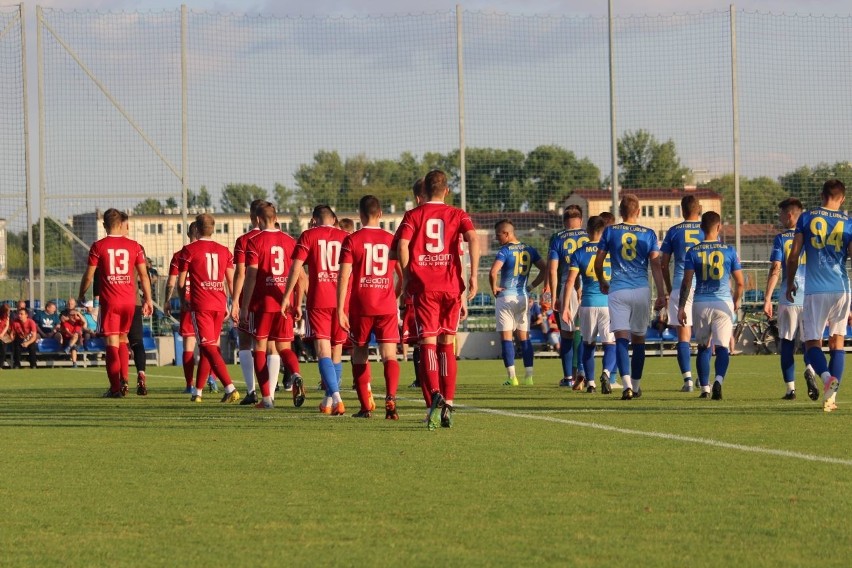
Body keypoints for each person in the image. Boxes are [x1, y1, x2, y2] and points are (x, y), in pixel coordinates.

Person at [397, 169, 480, 430]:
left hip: (425, 286)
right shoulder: (458, 214)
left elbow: (401, 245)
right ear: (446, 190)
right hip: (452, 287)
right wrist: (474, 276)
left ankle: (434, 396)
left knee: (428, 344)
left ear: (423, 192)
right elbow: (473, 239)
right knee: (447, 344)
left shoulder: (414, 215)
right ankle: (450, 403)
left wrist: (408, 275)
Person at [785, 179, 852, 413]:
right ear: (842, 198)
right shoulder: (849, 222)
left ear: (822, 195)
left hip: (815, 290)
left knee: (812, 342)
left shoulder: (806, 218)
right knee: (838, 341)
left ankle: (825, 378)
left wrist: (790, 283)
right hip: (842, 289)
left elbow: (793, 256)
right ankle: (831, 399)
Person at [595, 194, 667, 400]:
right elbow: (655, 265)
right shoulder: (649, 234)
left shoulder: (610, 231)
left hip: (618, 290)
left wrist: (602, 280)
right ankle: (635, 386)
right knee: (639, 341)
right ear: (638, 211)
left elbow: (598, 263)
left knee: (620, 339)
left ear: (620, 211)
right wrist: (661, 294)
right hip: (642, 290)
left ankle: (626, 385)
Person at [338, 195, 402, 418]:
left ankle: (366, 407)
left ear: (360, 215)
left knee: (360, 354)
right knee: (389, 355)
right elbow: (402, 277)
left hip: (361, 306)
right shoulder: (392, 239)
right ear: (381, 214)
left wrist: (340, 309)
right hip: (386, 306)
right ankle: (391, 397)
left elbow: (343, 278)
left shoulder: (352, 240)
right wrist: (393, 296)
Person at [282, 204, 349, 416]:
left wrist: (287, 297)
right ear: (334, 219)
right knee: (336, 350)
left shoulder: (308, 235)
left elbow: (296, 268)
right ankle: (328, 400)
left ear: (313, 220)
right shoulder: (346, 237)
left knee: (323, 351)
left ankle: (336, 397)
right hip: (342, 300)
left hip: (319, 300)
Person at [78, 208, 153, 397]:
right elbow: (144, 275)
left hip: (110, 301)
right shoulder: (135, 246)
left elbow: (89, 275)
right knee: (122, 340)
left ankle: (115, 389)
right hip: (130, 301)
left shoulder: (98, 246)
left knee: (111, 341)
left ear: (104, 226)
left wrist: (82, 293)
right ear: (121, 224)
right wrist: (149, 299)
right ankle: (124, 381)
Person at [239, 202, 305, 409]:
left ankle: (267, 398)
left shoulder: (254, 241)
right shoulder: (290, 241)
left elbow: (251, 275)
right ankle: (294, 373)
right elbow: (301, 277)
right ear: (276, 218)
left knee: (259, 347)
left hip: (263, 303)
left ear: (258, 220)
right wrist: (298, 303)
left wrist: (244, 305)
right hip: (285, 302)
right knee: (284, 346)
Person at [677, 211, 744, 399]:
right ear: (719, 227)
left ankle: (705, 388)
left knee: (703, 347)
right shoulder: (729, 250)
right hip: (722, 302)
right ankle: (718, 381)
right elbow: (740, 282)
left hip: (700, 303)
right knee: (723, 347)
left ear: (701, 228)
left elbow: (687, 282)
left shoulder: (693, 251)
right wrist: (736, 300)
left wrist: (681, 307)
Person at [178, 213, 240, 404]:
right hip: (219, 304)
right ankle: (198, 392)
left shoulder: (188, 250)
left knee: (207, 347)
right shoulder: (224, 251)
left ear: (196, 228)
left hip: (201, 305)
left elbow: (181, 283)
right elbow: (231, 280)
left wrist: (183, 300)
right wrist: (233, 303)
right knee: (208, 348)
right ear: (213, 229)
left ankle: (230, 388)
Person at [764, 197, 814, 400]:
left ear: (790, 214)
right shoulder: (812, 238)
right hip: (811, 297)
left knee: (786, 342)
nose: (780, 218)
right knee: (811, 342)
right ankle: (810, 369)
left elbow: (776, 268)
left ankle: (790, 389)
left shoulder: (782, 239)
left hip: (789, 298)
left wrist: (767, 298)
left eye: (781, 214)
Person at [561, 216, 617, 394]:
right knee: (611, 344)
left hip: (587, 304)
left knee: (588, 344)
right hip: (608, 303)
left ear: (587, 231)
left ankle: (591, 383)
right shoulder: (611, 251)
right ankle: (607, 373)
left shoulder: (579, 252)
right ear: (604, 231)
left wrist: (565, 308)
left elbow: (570, 281)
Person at [489, 218, 546, 386]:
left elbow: (493, 272)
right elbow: (545, 268)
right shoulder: (529, 249)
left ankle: (512, 377)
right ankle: (529, 377)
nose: (496, 238)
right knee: (524, 337)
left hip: (506, 297)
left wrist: (494, 288)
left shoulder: (505, 251)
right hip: (523, 297)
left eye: (498, 235)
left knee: (507, 338)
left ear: (507, 234)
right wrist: (531, 286)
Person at [660, 195, 703, 392]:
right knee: (705, 336)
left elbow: (663, 263)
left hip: (680, 285)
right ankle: (705, 381)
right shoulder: (707, 229)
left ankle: (688, 381)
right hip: (704, 288)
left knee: (683, 337)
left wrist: (669, 289)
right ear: (699, 209)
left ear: (682, 210)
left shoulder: (674, 231)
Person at [547, 205, 588, 389]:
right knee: (584, 333)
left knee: (567, 334)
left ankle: (568, 378)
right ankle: (583, 371)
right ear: (580, 220)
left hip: (568, 288)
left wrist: (555, 295)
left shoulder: (558, 238)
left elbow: (553, 270)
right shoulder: (589, 236)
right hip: (590, 287)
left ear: (564, 222)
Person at [230, 200, 264, 404]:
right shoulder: (282, 239)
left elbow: (241, 273)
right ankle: (271, 389)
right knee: (272, 346)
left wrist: (235, 301)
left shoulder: (244, 240)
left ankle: (252, 391)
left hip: (248, 299)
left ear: (252, 217)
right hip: (272, 300)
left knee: (245, 343)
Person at [165, 221, 199, 393]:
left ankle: (190, 384)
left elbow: (171, 281)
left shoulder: (179, 255)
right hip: (210, 300)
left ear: (188, 234)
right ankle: (212, 380)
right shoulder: (213, 251)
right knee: (211, 344)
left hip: (188, 302)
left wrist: (167, 300)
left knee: (189, 345)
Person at [0, 304, 10, 369]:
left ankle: (0, 365)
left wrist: (2, 334)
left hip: (3, 335)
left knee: (3, 349)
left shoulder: (7, 317)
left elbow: (7, 326)